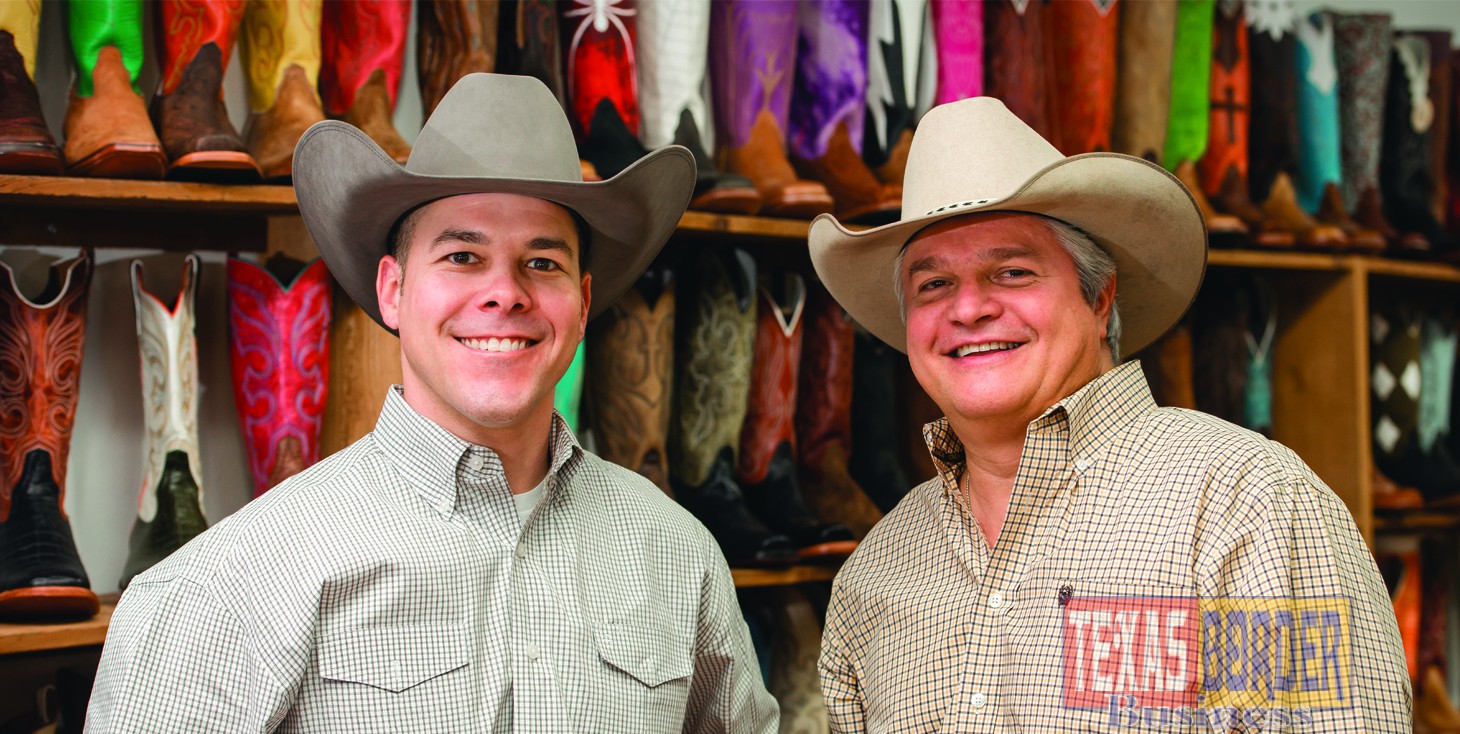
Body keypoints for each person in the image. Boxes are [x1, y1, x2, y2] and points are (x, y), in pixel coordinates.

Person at [86, 74, 778, 733]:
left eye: (543, 262)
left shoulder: (677, 554)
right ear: (392, 291)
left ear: (584, 302)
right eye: (462, 257)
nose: (506, 292)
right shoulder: (239, 580)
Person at [809, 98, 1410, 731]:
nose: (969, 309)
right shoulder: (875, 573)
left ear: (1100, 297)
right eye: (933, 285)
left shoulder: (1241, 503)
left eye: (1012, 271)